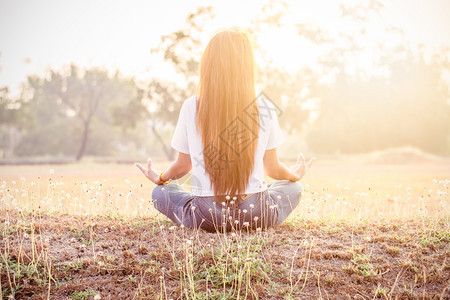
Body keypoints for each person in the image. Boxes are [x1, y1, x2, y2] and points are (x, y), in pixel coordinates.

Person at [136, 28, 314, 233]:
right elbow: (272, 169)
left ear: (208, 66)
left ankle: (194, 215)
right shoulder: (264, 107)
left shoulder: (191, 106)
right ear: (247, 67)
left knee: (160, 192)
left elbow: (183, 166)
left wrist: (160, 177)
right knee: (294, 188)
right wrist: (294, 175)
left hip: (207, 215)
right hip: (255, 212)